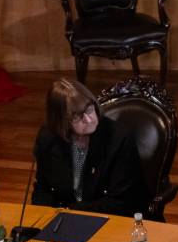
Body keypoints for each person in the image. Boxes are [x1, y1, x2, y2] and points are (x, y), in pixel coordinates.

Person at [31, 79, 146, 217]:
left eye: (90, 109)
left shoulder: (119, 138)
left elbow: (122, 201)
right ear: (61, 120)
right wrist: (42, 219)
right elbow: (43, 188)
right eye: (77, 116)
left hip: (111, 219)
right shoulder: (48, 137)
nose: (89, 119)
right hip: (63, 218)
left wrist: (70, 211)